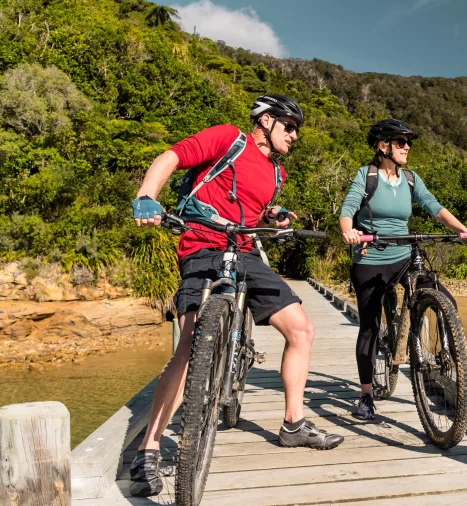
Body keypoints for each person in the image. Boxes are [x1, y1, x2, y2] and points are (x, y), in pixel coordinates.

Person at [128, 95, 343, 497]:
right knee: (189, 348)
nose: (295, 135)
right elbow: (171, 157)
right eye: (289, 126)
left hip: (244, 253)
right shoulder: (230, 140)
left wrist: (272, 217)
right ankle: (149, 448)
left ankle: (293, 424)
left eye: (297, 129)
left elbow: (250, 210)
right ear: (265, 121)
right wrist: (147, 195)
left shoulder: (275, 173)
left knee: (302, 330)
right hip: (202, 248)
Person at [338, 118, 467, 422]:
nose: (407, 147)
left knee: (444, 297)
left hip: (404, 253)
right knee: (368, 327)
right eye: (400, 141)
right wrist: (348, 230)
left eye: (409, 142)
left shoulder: (410, 178)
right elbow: (348, 207)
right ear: (383, 146)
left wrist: (463, 229)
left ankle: (459, 364)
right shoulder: (366, 176)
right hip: (371, 258)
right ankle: (366, 394)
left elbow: (433, 206)